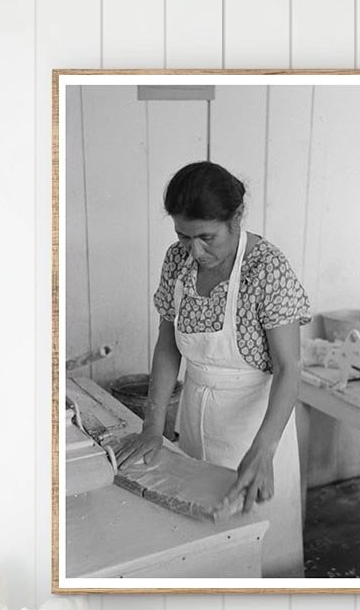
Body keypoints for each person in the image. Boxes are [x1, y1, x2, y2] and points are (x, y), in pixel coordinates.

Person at [114, 161, 310, 578]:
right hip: (195, 415)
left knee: (257, 549)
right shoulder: (178, 262)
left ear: (236, 218)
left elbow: (290, 367)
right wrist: (153, 425)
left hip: (256, 426)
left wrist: (265, 449)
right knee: (201, 547)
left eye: (207, 237)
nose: (195, 251)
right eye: (184, 237)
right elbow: (168, 346)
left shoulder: (267, 269)